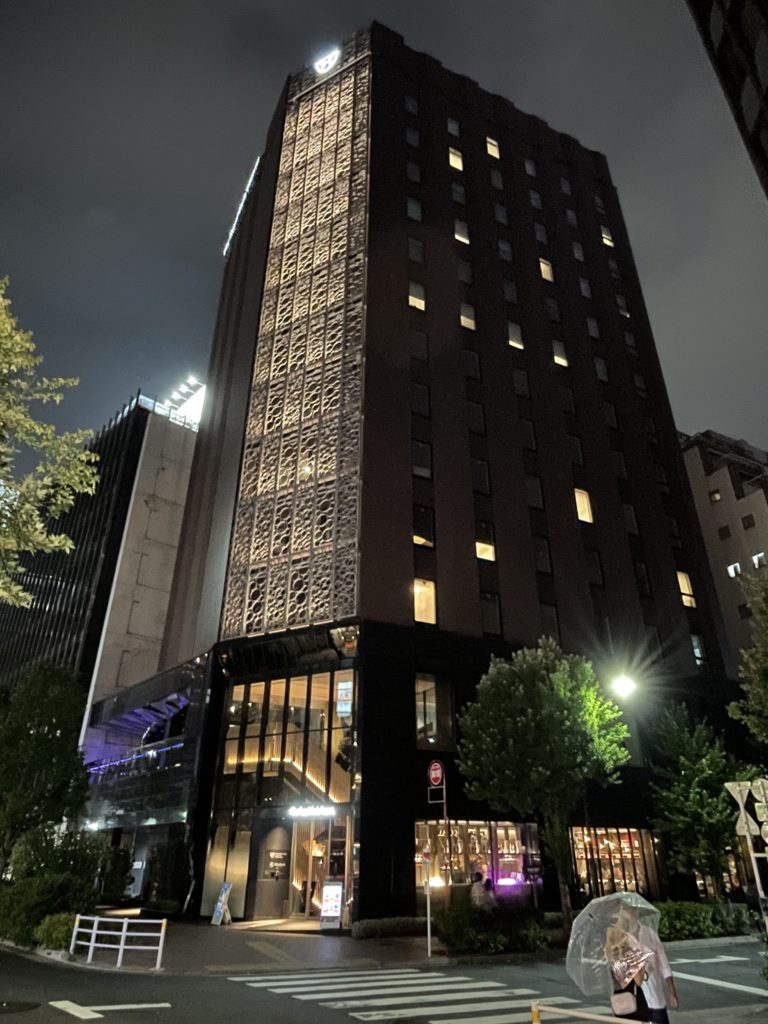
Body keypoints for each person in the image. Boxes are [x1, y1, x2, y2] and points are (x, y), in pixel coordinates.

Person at [618, 906, 679, 1024]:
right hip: (634, 1000)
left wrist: (672, 990)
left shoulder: (650, 933)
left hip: (655, 997)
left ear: (636, 912)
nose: (625, 915)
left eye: (627, 910)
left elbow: (664, 965)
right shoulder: (622, 939)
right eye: (622, 912)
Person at [604, 925, 651, 1022]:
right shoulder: (629, 957)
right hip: (633, 1000)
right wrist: (642, 966)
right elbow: (638, 982)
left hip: (618, 1000)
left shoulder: (610, 957)